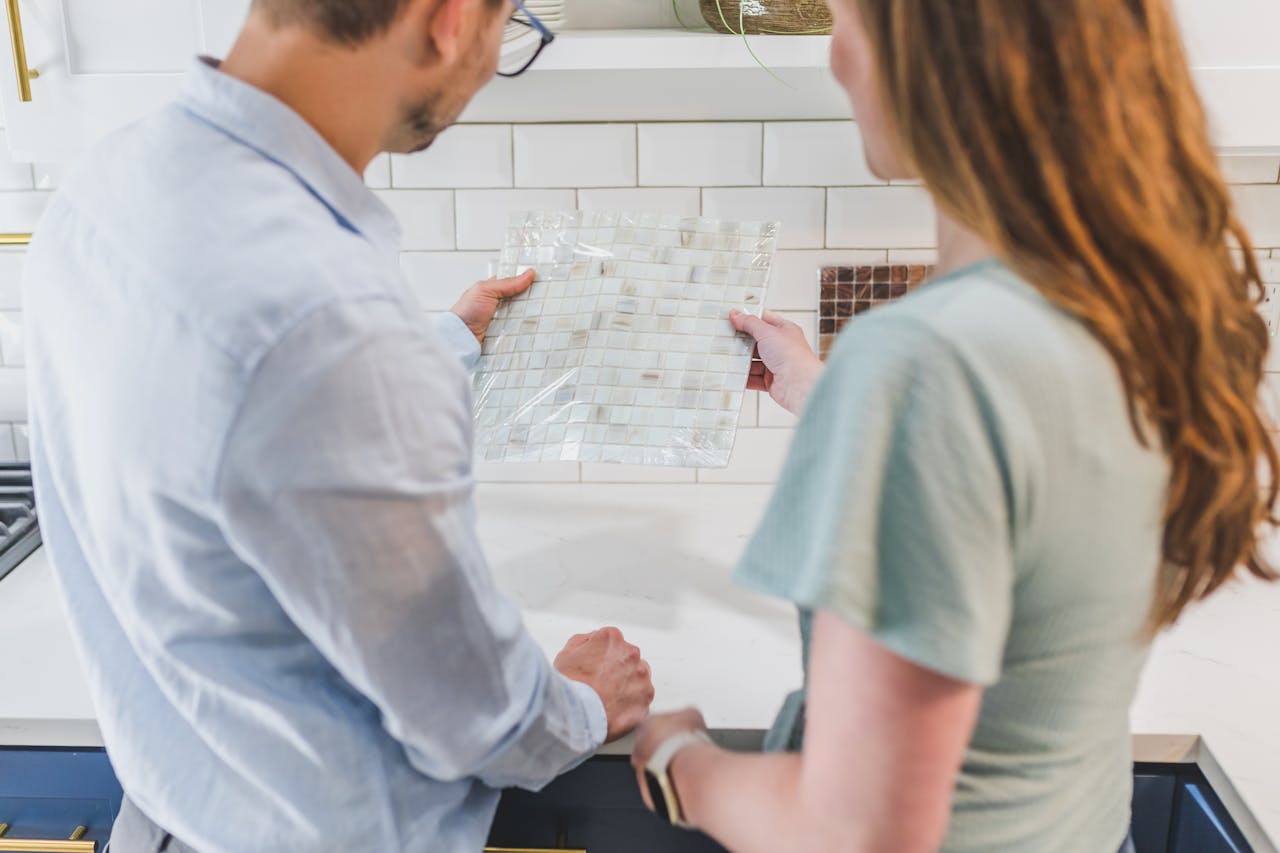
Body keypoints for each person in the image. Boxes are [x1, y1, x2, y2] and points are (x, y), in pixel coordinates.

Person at [632, 0, 1278, 851]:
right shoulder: (1141, 309)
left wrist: (677, 760)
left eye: (849, 17)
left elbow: (854, 831)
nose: (834, 57)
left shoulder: (924, 364)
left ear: (933, 54)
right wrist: (829, 394)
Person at [23, 1, 654, 851]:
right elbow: (474, 716)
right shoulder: (330, 318)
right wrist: (578, 699)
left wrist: (439, 342)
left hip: (160, 821)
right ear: (451, 20)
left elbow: (231, 415)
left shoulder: (104, 186)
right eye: (510, 28)